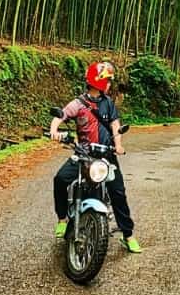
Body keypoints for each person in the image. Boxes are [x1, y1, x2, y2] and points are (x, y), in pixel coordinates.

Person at [48, 60, 142, 253]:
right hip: (83, 154)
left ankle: (128, 234)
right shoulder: (79, 103)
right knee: (60, 179)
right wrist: (54, 131)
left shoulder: (108, 103)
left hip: (106, 155)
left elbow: (115, 125)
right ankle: (62, 219)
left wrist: (118, 145)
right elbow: (61, 115)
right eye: (107, 81)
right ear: (98, 82)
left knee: (118, 193)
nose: (109, 84)